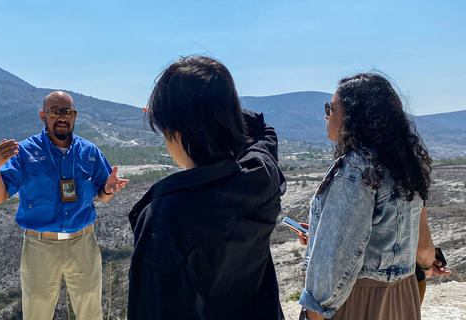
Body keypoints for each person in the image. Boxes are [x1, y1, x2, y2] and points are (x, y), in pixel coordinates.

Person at [127, 56, 286, 320]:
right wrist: (216, 108)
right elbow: (262, 132)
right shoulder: (260, 179)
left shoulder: (165, 218)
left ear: (175, 130)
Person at [297, 73, 433, 320]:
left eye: (331, 108)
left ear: (355, 116)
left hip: (357, 302)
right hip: (403, 296)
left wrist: (312, 314)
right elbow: (422, 248)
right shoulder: (403, 167)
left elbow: (334, 267)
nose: (326, 116)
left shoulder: (355, 171)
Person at [0, 91, 128, 320]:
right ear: (43, 115)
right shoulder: (24, 151)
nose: (62, 116)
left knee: (90, 311)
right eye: (55, 111)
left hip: (83, 243)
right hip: (40, 246)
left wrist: (108, 190)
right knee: (36, 312)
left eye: (67, 112)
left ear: (75, 116)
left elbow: (102, 195)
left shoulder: (89, 152)